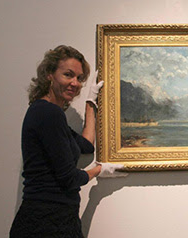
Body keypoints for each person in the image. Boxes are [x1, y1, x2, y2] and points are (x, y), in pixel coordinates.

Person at [10, 45, 126, 238]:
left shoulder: (47, 112)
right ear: (49, 74)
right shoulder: (48, 113)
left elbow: (86, 146)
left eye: (79, 78)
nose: (75, 83)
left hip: (54, 217)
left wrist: (91, 101)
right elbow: (69, 178)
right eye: (68, 75)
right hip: (45, 222)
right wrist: (99, 170)